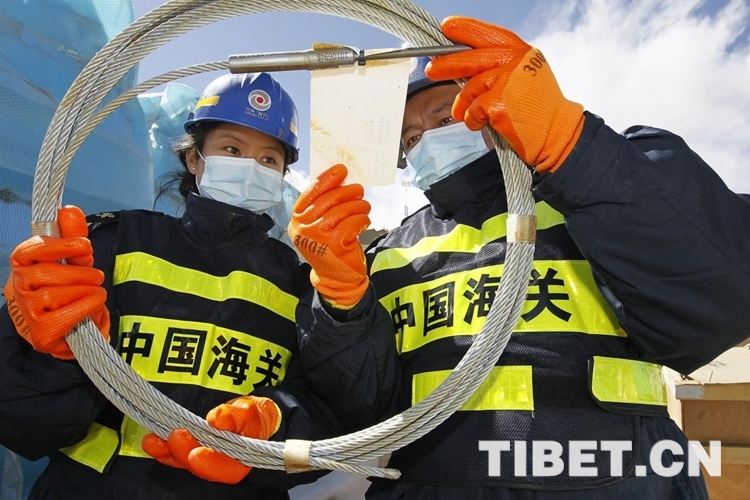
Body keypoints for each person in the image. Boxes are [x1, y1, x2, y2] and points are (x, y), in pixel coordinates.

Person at [334, 16, 750, 500]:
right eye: (410, 138)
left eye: (445, 119)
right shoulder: (391, 253)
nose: (427, 142)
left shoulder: (585, 189)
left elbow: (723, 297)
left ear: (487, 106)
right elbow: (361, 405)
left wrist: (573, 148)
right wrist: (335, 304)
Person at [0, 72, 399, 499]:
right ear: (194, 159)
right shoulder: (115, 242)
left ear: (283, 174)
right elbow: (21, 418)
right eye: (232, 149)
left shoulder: (300, 282)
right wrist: (56, 358)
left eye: (269, 159)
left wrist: (274, 422)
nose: (250, 167)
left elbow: (340, 413)